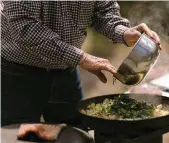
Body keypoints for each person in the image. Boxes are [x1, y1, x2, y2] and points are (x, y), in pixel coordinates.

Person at [1, 1, 160, 126]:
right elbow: (25, 27)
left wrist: (124, 32)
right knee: (16, 136)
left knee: (74, 133)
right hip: (18, 73)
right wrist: (81, 58)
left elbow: (103, 11)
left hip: (66, 71)